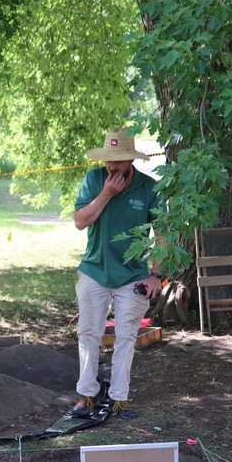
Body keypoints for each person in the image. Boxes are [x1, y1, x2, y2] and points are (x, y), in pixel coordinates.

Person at [72, 126, 162, 419]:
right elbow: (80, 221)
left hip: (133, 276)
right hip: (94, 271)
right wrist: (106, 194)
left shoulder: (148, 188)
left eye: (119, 160)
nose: (112, 166)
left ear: (131, 160)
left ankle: (118, 398)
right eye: (109, 159)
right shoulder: (94, 179)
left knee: (126, 336)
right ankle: (86, 395)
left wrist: (155, 275)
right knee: (88, 334)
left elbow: (164, 233)